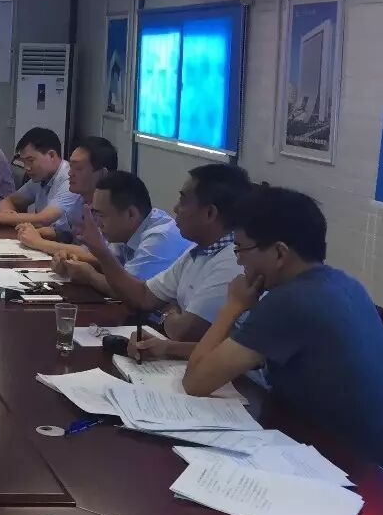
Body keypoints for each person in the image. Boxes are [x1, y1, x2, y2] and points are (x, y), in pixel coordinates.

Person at [184, 188, 383, 476]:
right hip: (373, 462)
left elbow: (196, 381)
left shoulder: (291, 301)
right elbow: (241, 353)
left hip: (348, 471)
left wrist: (233, 306)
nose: (238, 261)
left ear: (279, 253)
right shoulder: (342, 283)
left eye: (240, 249)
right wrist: (172, 348)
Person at [71, 163, 251, 360]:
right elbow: (143, 297)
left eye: (183, 201)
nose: (175, 208)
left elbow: (184, 333)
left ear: (210, 213)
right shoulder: (197, 251)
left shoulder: (233, 261)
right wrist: (101, 252)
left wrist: (165, 312)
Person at [51, 171, 191, 294]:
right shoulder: (126, 230)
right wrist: (71, 262)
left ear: (131, 214)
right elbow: (112, 266)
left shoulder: (160, 238)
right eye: (95, 215)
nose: (98, 223)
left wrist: (89, 276)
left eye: (102, 215)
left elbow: (131, 292)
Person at [16, 136, 118, 257]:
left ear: (102, 174)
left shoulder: (112, 210)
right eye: (71, 167)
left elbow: (96, 253)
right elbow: (65, 232)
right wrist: (36, 232)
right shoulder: (79, 199)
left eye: (78, 168)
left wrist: (38, 242)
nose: (70, 173)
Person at [0, 127, 80, 229]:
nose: (27, 168)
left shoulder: (69, 180)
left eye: (30, 161)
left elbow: (44, 220)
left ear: (51, 155)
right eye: (24, 162)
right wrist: (7, 216)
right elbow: (9, 201)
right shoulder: (40, 177)